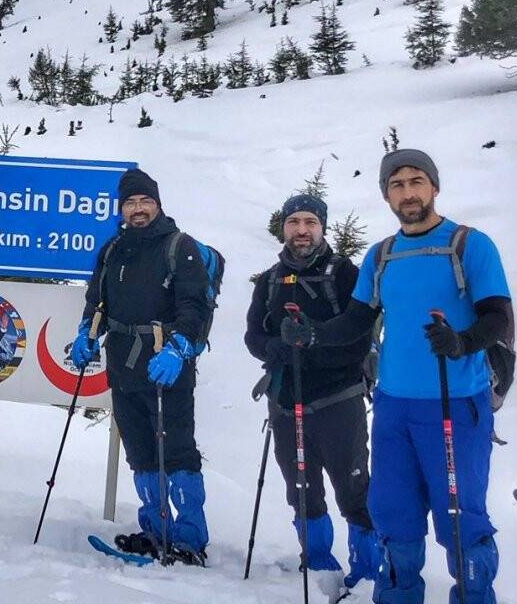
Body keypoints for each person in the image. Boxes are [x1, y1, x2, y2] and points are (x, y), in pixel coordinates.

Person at [280, 149, 508, 604]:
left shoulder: (469, 245)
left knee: (460, 516)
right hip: (392, 405)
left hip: (455, 402)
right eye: (397, 184)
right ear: (387, 195)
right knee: (393, 511)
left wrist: (462, 342)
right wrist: (312, 335)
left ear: (434, 188)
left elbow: (498, 316)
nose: (408, 192)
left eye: (416, 181)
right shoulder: (381, 255)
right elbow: (356, 320)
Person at [69, 168, 211, 566]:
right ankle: (155, 529)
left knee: (177, 451)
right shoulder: (113, 250)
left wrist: (179, 349)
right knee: (141, 451)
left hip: (168, 366)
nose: (137, 209)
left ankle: (189, 538)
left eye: (144, 202)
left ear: (158, 205)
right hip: (124, 366)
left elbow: (194, 306)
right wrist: (86, 334)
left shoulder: (180, 247)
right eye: (130, 203)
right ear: (121, 209)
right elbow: (96, 301)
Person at [244, 194, 380, 591]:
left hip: (339, 398)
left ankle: (368, 571)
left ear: (322, 227)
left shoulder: (344, 274)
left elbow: (359, 336)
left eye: (309, 222)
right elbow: (253, 335)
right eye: (294, 222)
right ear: (283, 227)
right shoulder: (270, 279)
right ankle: (318, 564)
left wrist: (313, 343)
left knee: (353, 486)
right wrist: (279, 349)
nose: (301, 230)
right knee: (301, 488)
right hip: (287, 399)